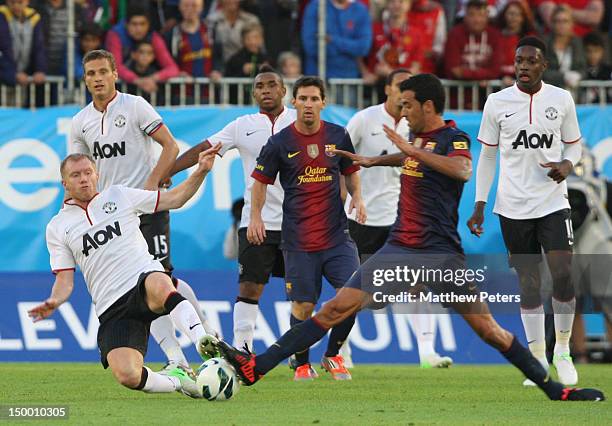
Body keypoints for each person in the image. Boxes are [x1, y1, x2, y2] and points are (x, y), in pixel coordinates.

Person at [206, 73, 605, 403]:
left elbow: (461, 170)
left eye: (408, 104)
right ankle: (255, 367)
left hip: (441, 257)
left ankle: (556, 390)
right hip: (398, 251)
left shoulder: (453, 138)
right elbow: (409, 156)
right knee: (331, 311)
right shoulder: (416, 141)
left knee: (489, 331)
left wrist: (403, 148)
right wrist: (374, 159)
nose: (402, 110)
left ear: (427, 107)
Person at [28, 147, 221, 398]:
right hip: (112, 305)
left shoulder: (119, 195)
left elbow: (175, 199)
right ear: (64, 182)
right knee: (128, 375)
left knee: (161, 283)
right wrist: (54, 300)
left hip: (142, 278)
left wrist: (201, 172)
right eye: (76, 175)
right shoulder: (57, 227)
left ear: (97, 175)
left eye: (88, 172)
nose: (84, 178)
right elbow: (65, 281)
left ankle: (202, 340)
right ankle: (179, 382)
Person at [69, 49, 212, 378]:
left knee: (158, 278)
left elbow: (171, 146)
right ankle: (193, 346)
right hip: (112, 216)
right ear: (85, 79)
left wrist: (150, 186)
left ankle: (185, 352)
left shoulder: (134, 106)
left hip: (145, 207)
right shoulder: (81, 122)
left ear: (115, 73)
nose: (97, 79)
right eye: (90, 73)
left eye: (103, 72)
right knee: (156, 282)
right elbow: (77, 170)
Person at [467, 36, 583, 387]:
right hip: (513, 206)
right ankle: (536, 358)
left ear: (543, 65)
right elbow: (487, 155)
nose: (524, 66)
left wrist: (567, 163)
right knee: (529, 283)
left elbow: (575, 144)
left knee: (563, 273)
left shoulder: (561, 99)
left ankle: (562, 350)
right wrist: (480, 203)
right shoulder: (496, 102)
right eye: (519, 60)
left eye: (532, 61)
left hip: (552, 201)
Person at [169, 66, 297, 359]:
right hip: (256, 222)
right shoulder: (242, 125)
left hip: (297, 222)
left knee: (301, 291)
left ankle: (300, 354)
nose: (265, 90)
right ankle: (243, 350)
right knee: (249, 286)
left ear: (283, 91)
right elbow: (205, 147)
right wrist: (168, 172)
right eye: (260, 86)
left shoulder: (300, 122)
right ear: (253, 93)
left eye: (271, 85)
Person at [248, 76, 366, 380]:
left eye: (315, 99)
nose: (309, 105)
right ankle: (301, 363)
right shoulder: (279, 142)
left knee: (352, 297)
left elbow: (351, 171)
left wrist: (359, 199)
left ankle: (333, 355)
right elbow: (260, 182)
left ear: (323, 102)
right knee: (303, 306)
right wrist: (256, 217)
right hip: (299, 241)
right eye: (303, 99)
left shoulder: (339, 136)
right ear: (294, 102)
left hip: (337, 237)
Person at [345, 68, 452, 369]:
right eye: (399, 87)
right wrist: (351, 198)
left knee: (417, 282)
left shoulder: (417, 127)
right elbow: (343, 163)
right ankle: (341, 348)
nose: (404, 95)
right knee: (361, 291)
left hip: (403, 218)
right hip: (363, 219)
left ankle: (427, 352)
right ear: (387, 90)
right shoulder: (364, 120)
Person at [542, 5, 586, 89]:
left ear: (572, 23)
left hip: (573, 92)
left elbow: (584, 69)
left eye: (565, 21)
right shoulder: (544, 43)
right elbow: (541, 71)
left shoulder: (577, 43)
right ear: (552, 23)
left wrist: (579, 76)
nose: (561, 25)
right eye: (557, 21)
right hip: (550, 91)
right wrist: (563, 76)